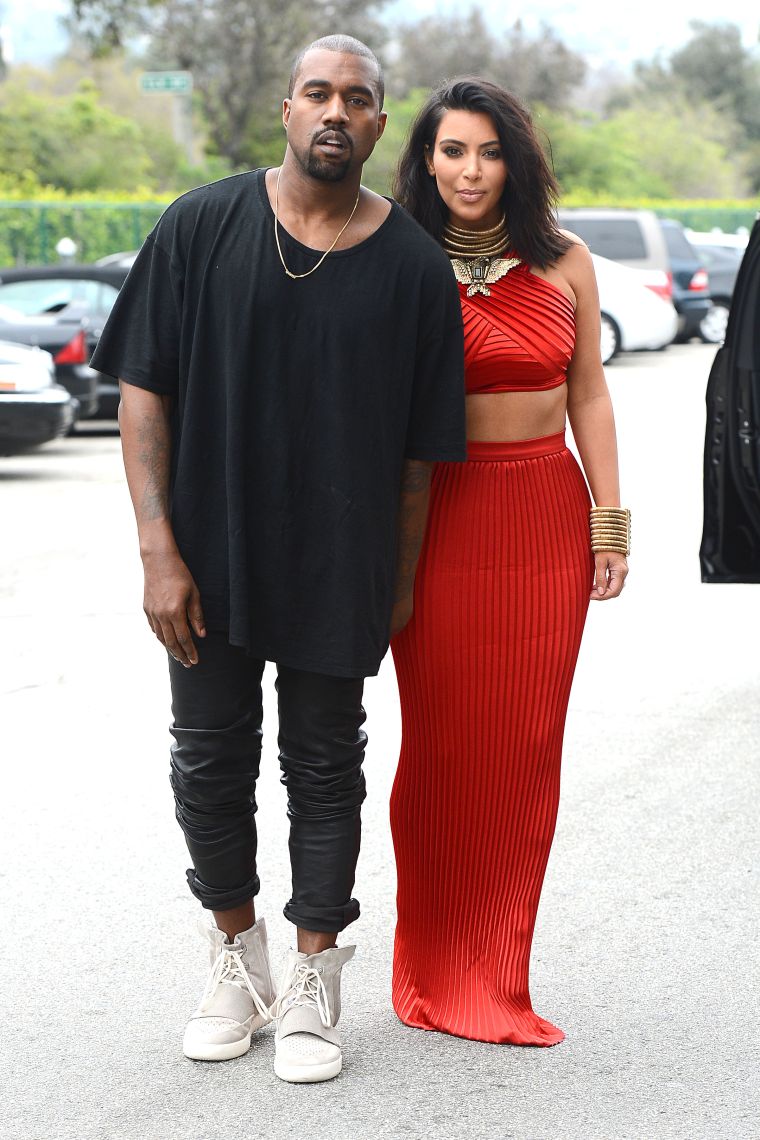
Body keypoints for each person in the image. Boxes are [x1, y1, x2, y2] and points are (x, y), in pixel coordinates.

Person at [90, 37, 466, 1082]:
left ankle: (312, 982)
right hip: (206, 557)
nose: (335, 111)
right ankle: (233, 959)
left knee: (323, 765)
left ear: (381, 125)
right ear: (284, 109)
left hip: (339, 562)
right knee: (208, 760)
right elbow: (143, 391)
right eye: (317, 93)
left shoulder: (410, 267)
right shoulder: (201, 224)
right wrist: (158, 548)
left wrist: (394, 581)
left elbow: (420, 452)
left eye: (357, 98)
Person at [390, 78, 629, 1046]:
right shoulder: (398, 260)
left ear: (515, 161)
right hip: (436, 521)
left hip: (541, 518)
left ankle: (498, 971)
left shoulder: (565, 261)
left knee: (524, 750)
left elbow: (591, 397)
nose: (470, 170)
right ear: (426, 161)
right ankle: (432, 966)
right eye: (452, 152)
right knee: (441, 745)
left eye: (487, 152)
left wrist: (608, 523)